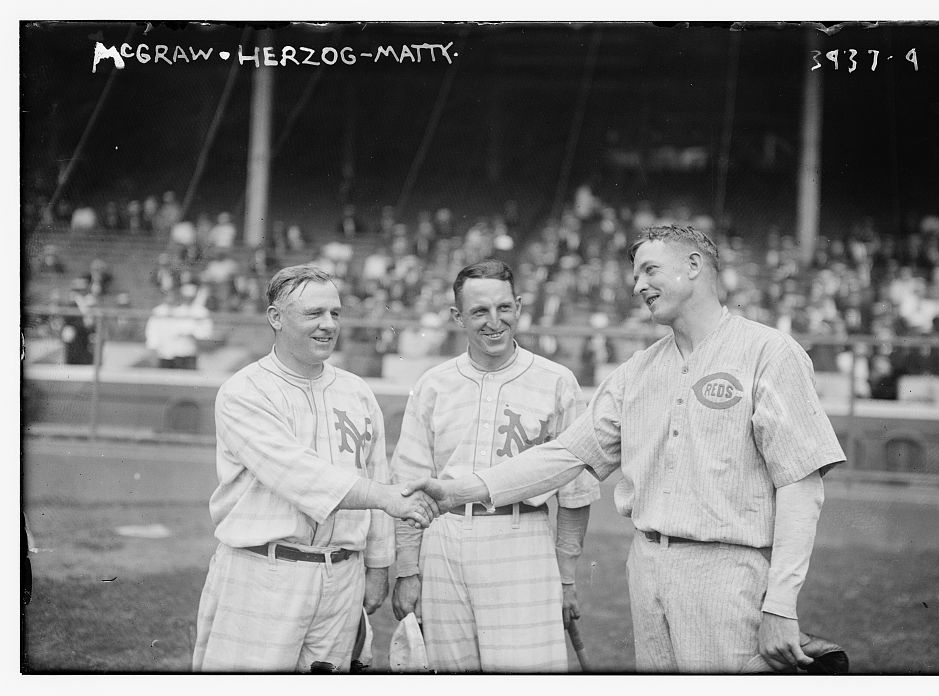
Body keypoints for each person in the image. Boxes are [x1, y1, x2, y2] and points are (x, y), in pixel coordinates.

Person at [412, 225, 846, 674]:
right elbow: (563, 455)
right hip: (647, 569)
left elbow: (800, 485)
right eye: (636, 274)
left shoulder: (769, 352)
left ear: (694, 266)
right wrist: (461, 491)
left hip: (727, 572)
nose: (638, 285)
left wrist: (781, 604)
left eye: (650, 270)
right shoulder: (637, 370)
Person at [192, 265, 440, 673]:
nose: (328, 325)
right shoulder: (245, 391)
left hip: (342, 576)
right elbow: (299, 474)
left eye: (335, 314)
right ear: (276, 318)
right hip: (265, 572)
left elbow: (378, 474)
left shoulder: (357, 391)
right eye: (314, 314)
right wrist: (385, 498)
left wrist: (378, 565)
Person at [390, 260, 600, 673]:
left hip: (521, 538)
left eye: (504, 308)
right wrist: (409, 570)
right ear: (457, 317)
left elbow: (576, 494)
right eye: (479, 312)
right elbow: (407, 485)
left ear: (519, 307)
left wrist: (567, 576)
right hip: (444, 542)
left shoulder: (556, 381)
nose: (494, 322)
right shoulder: (433, 383)